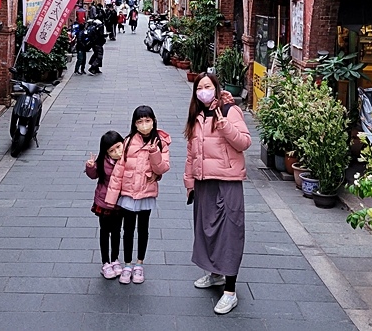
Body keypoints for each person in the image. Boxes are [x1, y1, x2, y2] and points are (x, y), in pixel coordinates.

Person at [184, 72, 252, 315]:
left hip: (227, 181)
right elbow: (192, 152)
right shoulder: (197, 115)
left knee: (230, 233)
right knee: (207, 230)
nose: (203, 90)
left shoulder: (230, 110)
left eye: (207, 86)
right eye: (199, 87)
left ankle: (230, 291)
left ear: (215, 87)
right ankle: (215, 274)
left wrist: (224, 126)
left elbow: (244, 142)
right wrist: (189, 182)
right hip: (204, 182)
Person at [105, 106, 170, 285]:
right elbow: (118, 172)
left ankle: (139, 264)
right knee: (128, 229)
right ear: (134, 124)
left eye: (147, 120)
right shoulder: (127, 142)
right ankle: (127, 264)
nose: (144, 124)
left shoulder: (161, 142)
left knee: (143, 229)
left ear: (153, 121)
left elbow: (162, 168)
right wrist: (111, 200)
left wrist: (155, 152)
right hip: (127, 193)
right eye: (140, 121)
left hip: (146, 193)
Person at [85, 131, 125, 279]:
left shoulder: (127, 160)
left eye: (118, 147)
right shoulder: (103, 161)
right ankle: (105, 262)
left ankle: (115, 259)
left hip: (119, 204)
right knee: (104, 231)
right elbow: (93, 175)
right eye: (111, 151)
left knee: (116, 232)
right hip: (104, 202)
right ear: (106, 152)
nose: (116, 152)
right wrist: (90, 166)